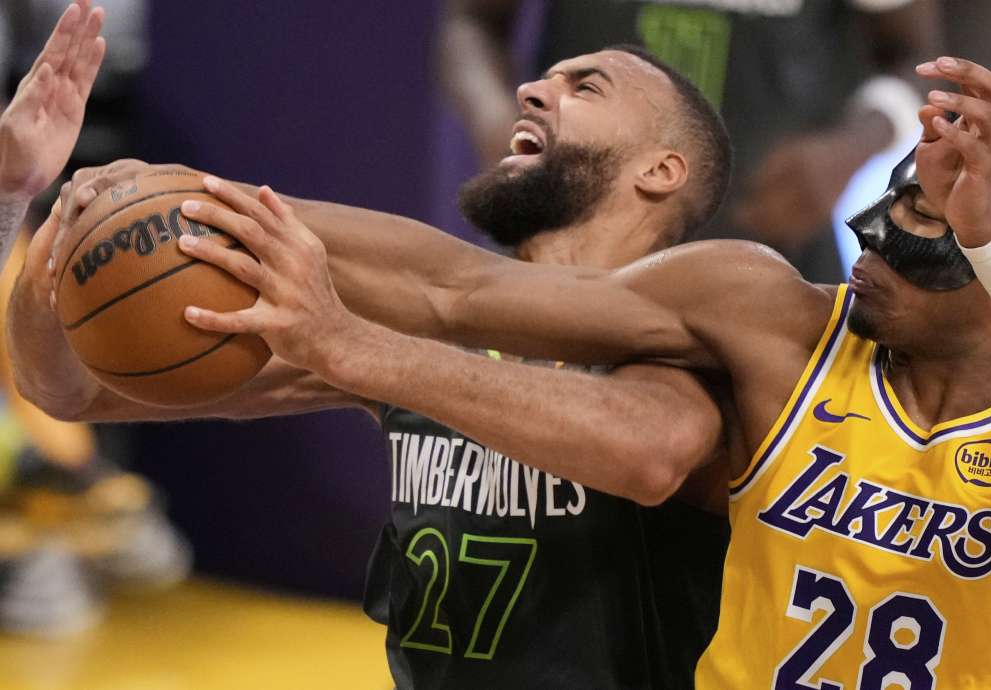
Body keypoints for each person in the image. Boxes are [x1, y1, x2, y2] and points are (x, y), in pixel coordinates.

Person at [18, 57, 991, 688]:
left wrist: (352, 339)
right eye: (885, 198)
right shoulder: (775, 322)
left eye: (923, 214)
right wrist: (105, 210)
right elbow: (460, 292)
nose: (870, 237)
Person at [9, 44, 735, 688]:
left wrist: (354, 348)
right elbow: (66, 392)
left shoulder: (691, 332)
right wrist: (32, 206)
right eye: (545, 78)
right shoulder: (422, 334)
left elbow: (647, 450)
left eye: (587, 87)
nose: (533, 91)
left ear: (660, 168)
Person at [439, 0, 942, 281]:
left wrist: (848, 150)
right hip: (573, 233)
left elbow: (916, 57)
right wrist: (502, 125)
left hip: (765, 248)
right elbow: (472, 22)